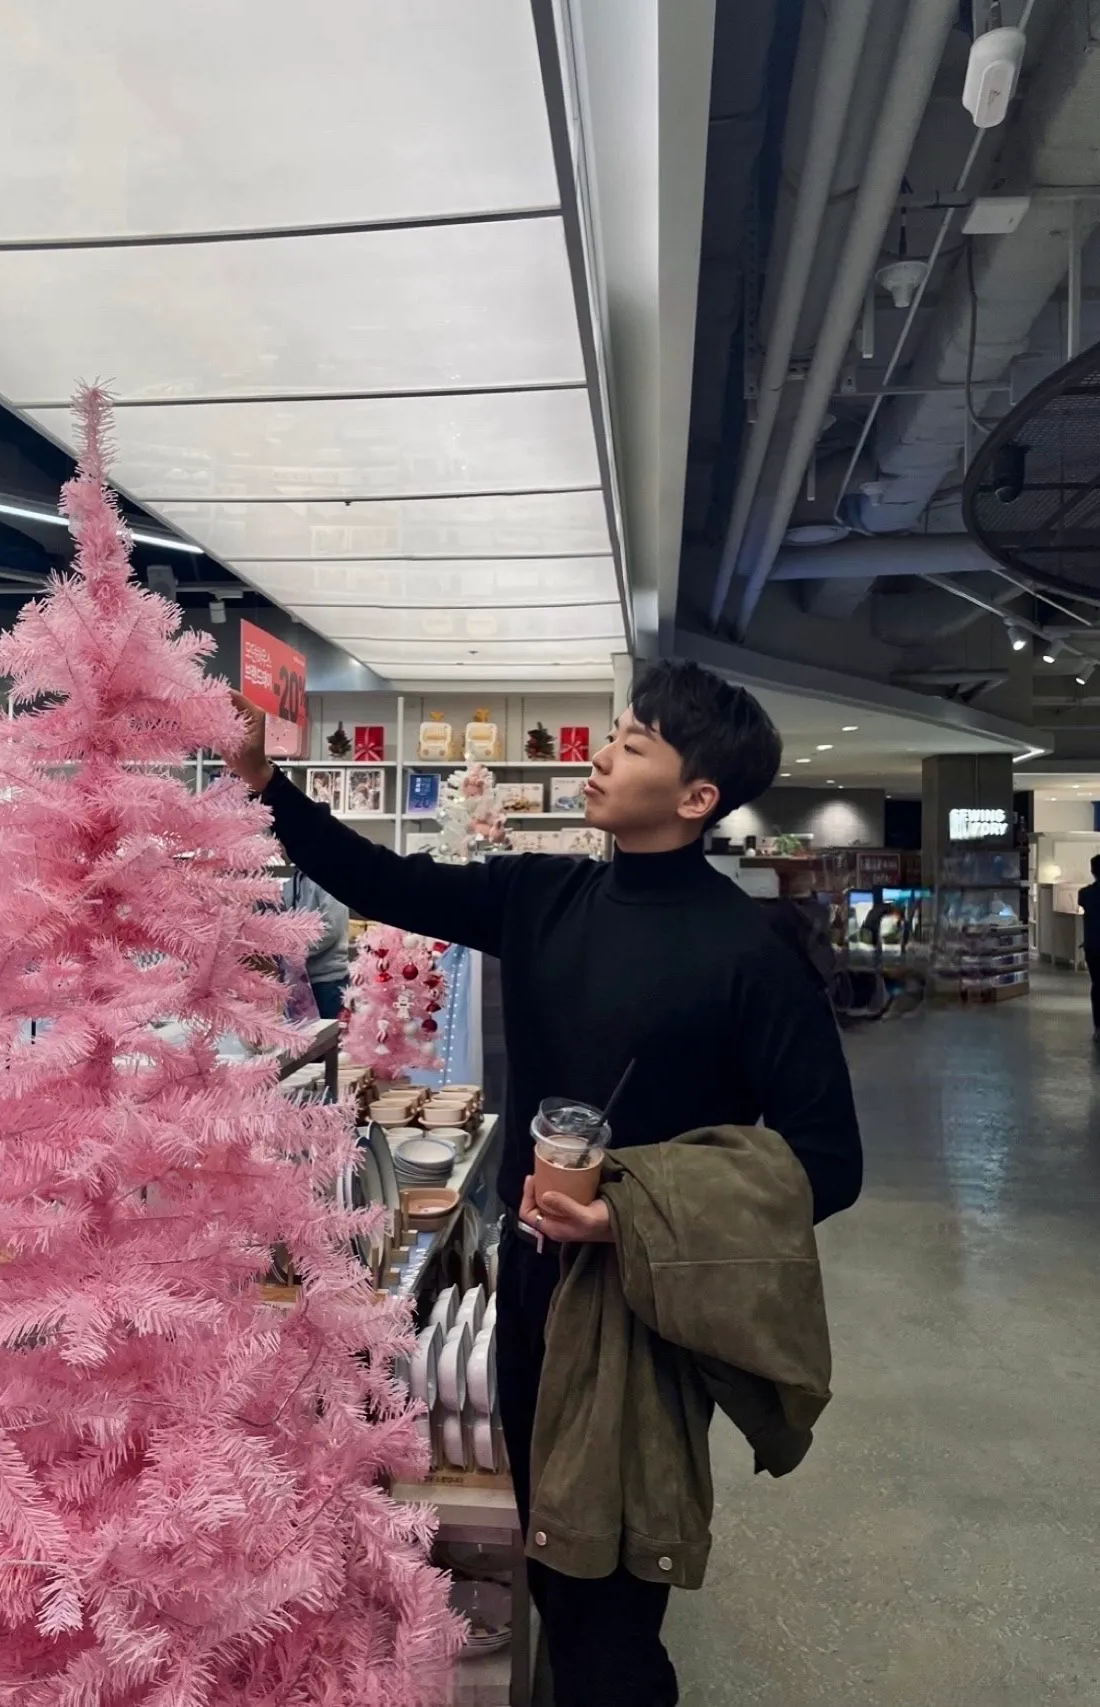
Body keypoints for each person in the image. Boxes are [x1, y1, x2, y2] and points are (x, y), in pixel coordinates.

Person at [227, 661, 862, 1707]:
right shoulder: (544, 895)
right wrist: (264, 785)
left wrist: (624, 1214)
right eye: (613, 734)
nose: (602, 757)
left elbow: (827, 1160)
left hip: (642, 1315)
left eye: (634, 744)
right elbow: (384, 883)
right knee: (555, 1567)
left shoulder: (751, 953)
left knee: (608, 1598)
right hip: (527, 1287)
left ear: (697, 796)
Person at [283, 871, 349, 1020]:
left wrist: (295, 952)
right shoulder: (292, 882)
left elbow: (331, 929)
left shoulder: (329, 877)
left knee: (331, 1032)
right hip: (299, 980)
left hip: (328, 981)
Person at [1078, 854, 1100, 1034]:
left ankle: (1098, 1026)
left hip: (1093, 945)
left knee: (1097, 984)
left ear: (1092, 871)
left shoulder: (1084, 893)